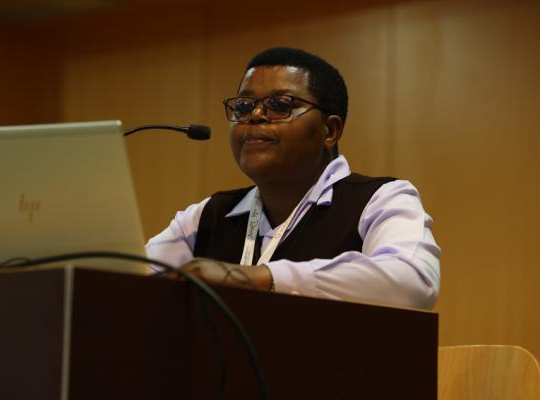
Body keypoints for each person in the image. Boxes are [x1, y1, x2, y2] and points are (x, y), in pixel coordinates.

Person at [146, 47, 440, 310]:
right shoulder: (209, 215)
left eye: (280, 105)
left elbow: (413, 281)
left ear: (329, 131)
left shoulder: (381, 199)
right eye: (244, 106)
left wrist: (261, 278)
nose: (255, 115)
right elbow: (127, 276)